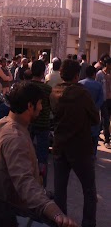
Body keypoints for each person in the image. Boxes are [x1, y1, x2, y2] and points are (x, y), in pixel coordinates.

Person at [0, 81, 78, 227]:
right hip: (10, 216)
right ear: (30, 106)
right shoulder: (15, 137)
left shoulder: (5, 122)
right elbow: (25, 184)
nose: (41, 108)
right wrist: (55, 212)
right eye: (40, 103)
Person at [50, 59, 99, 227]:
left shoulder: (54, 92)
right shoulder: (82, 94)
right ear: (77, 75)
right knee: (89, 191)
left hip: (60, 147)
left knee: (60, 191)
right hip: (80, 148)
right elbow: (95, 118)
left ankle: (60, 222)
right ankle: (88, 223)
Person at [30, 59, 52, 187]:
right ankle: (42, 185)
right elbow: (51, 106)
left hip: (28, 124)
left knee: (26, 153)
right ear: (43, 72)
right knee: (42, 157)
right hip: (43, 124)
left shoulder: (26, 86)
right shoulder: (47, 89)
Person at [79, 66, 104, 157]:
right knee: (94, 135)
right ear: (94, 74)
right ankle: (93, 154)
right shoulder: (98, 85)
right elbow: (101, 99)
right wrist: (94, 108)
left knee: (82, 133)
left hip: (82, 113)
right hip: (94, 113)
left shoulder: (80, 84)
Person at [95, 57, 111, 148]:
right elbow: (97, 86)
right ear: (107, 65)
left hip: (110, 99)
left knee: (107, 120)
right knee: (106, 119)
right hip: (104, 100)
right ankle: (107, 140)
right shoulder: (100, 74)